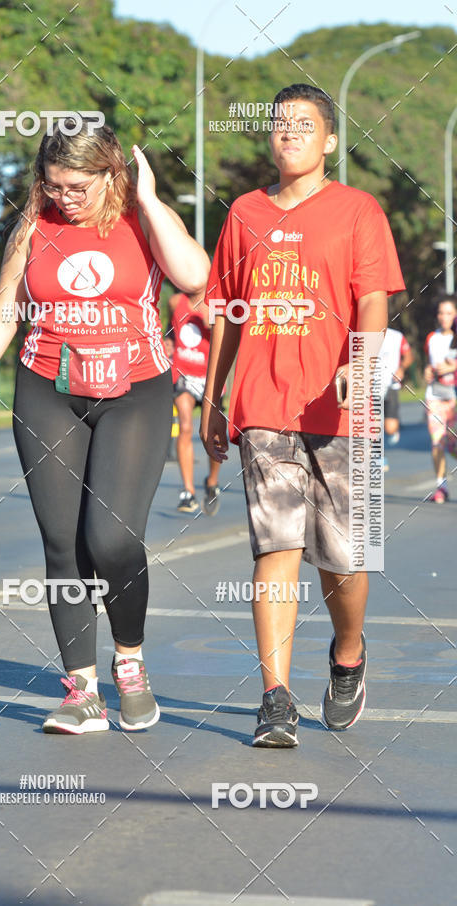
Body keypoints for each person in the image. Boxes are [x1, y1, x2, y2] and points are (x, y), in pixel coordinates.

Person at [0, 120, 210, 734]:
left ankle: (131, 662)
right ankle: (80, 692)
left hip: (134, 390)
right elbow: (6, 309)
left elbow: (194, 277)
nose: (62, 197)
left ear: (112, 172)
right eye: (52, 184)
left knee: (111, 540)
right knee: (62, 544)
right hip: (46, 390)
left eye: (76, 186)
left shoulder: (142, 218)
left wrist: (147, 197)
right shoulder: (34, 225)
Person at [200, 83, 405, 748]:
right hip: (264, 404)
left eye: (304, 124)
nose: (289, 133)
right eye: (280, 123)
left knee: (342, 564)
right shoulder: (244, 214)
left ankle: (349, 654)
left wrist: (361, 360)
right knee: (277, 548)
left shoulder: (357, 210)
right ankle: (276, 698)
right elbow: (228, 314)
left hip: (341, 410)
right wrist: (213, 398)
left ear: (331, 141)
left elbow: (373, 300)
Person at [168, 290, 222, 514]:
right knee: (186, 426)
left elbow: (227, 337)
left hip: (209, 375)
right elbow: (170, 331)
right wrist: (167, 341)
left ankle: (212, 481)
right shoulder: (175, 302)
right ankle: (188, 491)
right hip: (183, 373)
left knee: (214, 434)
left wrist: (213, 323)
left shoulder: (216, 305)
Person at [423, 296, 457, 503]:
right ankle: (441, 486)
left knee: (452, 445)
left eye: (449, 313)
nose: (444, 317)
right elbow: (429, 364)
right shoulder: (431, 338)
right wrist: (428, 372)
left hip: (454, 398)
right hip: (434, 396)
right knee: (437, 442)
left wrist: (454, 367)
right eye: (441, 313)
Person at [379, 326, 413, 470]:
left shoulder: (397, 336)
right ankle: (379, 457)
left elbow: (409, 356)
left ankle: (394, 430)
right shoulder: (364, 333)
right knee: (373, 426)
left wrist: (402, 369)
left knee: (390, 428)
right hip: (370, 386)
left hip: (390, 386)